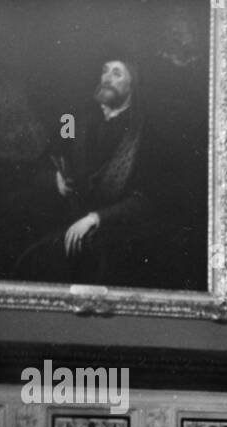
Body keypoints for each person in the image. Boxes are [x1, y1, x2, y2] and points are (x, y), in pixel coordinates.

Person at [13, 55, 158, 287]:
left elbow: (145, 198)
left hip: (112, 228)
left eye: (117, 73)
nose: (107, 78)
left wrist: (96, 218)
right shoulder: (73, 119)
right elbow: (52, 156)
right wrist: (56, 178)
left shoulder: (143, 131)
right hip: (67, 214)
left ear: (132, 85)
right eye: (105, 71)